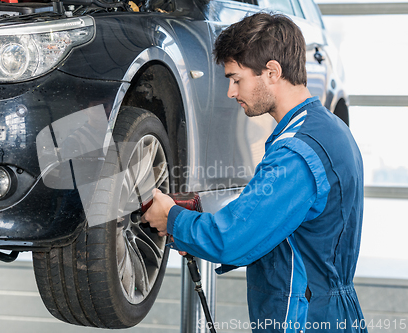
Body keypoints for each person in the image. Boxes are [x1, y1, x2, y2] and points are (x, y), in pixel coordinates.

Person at [142, 12, 367, 333]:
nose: (232, 92)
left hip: (304, 318)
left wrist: (173, 221)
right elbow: (279, 224)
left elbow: (232, 239)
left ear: (272, 72)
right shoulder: (325, 129)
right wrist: (198, 217)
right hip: (326, 309)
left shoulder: (297, 153)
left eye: (237, 78)